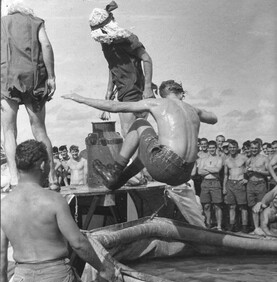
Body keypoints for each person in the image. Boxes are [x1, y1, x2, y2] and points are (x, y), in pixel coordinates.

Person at [0, 139, 116, 282]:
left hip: (22, 280)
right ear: (42, 165)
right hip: (54, 277)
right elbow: (79, 243)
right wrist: (103, 268)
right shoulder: (53, 199)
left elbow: (0, 250)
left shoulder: (4, 205)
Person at [62, 80, 217, 190]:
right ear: (181, 93)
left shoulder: (158, 103)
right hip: (185, 173)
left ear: (162, 94)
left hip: (165, 166)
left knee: (139, 123)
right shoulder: (194, 110)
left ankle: (115, 170)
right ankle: (116, 182)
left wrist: (81, 99)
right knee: (146, 152)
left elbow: (115, 106)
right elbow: (213, 118)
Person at [1, 2, 59, 191]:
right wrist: (51, 76)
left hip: (7, 78)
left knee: (9, 131)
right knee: (40, 130)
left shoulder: (2, 22)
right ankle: (52, 178)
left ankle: (15, 179)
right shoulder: (36, 22)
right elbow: (47, 46)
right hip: (34, 79)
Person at [89, 1, 154, 138]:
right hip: (123, 90)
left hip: (135, 90)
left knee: (130, 133)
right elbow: (112, 66)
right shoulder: (106, 43)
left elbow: (147, 59)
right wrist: (108, 91)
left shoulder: (126, 38)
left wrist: (147, 87)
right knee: (131, 133)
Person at [223, 140, 249, 233]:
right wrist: (224, 187)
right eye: (230, 147)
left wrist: (247, 179)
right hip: (230, 183)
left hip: (240, 183)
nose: (232, 149)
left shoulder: (244, 158)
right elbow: (225, 175)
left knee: (243, 207)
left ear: (237, 148)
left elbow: (249, 170)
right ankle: (232, 226)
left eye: (234, 147)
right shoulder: (226, 160)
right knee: (232, 206)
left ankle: (244, 227)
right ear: (228, 148)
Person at [198, 140, 223, 230]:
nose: (211, 149)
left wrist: (206, 168)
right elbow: (200, 172)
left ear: (216, 148)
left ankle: (219, 226)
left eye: (213, 148)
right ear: (207, 148)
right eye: (210, 148)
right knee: (206, 205)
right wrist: (212, 169)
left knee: (217, 205)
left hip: (215, 182)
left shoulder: (219, 158)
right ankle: (208, 224)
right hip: (205, 182)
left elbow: (217, 170)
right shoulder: (203, 159)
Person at [246, 140, 269, 230]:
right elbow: (246, 173)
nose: (254, 150)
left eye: (256, 148)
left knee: (261, 206)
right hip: (250, 184)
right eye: (252, 148)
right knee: (253, 206)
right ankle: (256, 228)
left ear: (259, 148)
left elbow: (269, 172)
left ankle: (263, 227)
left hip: (261, 184)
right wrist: (247, 172)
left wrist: (257, 170)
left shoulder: (264, 158)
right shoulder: (248, 160)